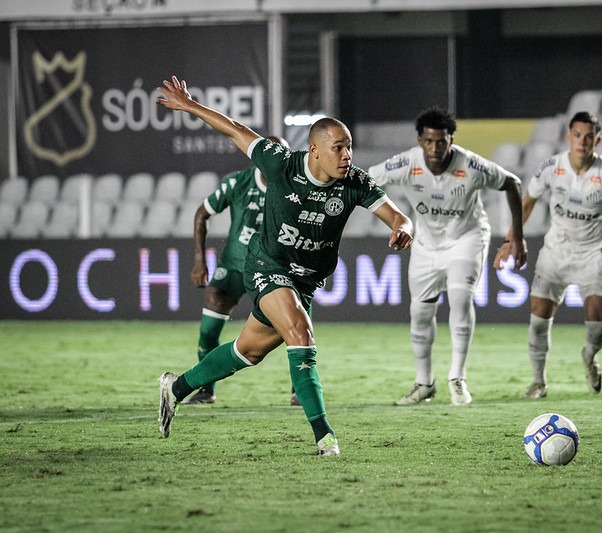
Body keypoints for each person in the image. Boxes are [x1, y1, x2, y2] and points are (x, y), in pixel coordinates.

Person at [155, 76, 414, 456]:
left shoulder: (355, 183)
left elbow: (397, 216)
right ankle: (326, 438)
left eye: (349, 148)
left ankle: (175, 388)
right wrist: (190, 105)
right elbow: (236, 130)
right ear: (314, 150)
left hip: (305, 281)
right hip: (267, 265)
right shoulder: (281, 164)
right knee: (300, 333)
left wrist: (402, 229)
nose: (347, 156)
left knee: (248, 351)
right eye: (338, 148)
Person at [494, 111, 602, 399]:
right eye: (577, 135)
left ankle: (590, 356)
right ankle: (538, 382)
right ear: (568, 136)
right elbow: (528, 201)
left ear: (598, 139)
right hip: (556, 253)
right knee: (537, 321)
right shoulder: (551, 167)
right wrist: (512, 239)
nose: (582, 141)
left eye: (589, 136)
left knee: (597, 326)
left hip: (594, 256)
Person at [368, 106, 526, 407]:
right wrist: (394, 219)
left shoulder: (472, 166)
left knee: (459, 299)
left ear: (451, 140)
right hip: (425, 244)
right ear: (419, 140)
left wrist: (515, 236)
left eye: (441, 141)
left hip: (466, 239)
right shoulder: (405, 163)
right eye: (429, 141)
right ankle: (424, 383)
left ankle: (457, 378)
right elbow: (367, 182)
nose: (435, 148)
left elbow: (512, 183)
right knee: (420, 314)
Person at [181, 137, 302, 407]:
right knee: (208, 331)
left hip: (274, 270)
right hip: (234, 267)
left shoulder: (295, 187)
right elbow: (202, 214)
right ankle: (205, 391)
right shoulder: (238, 183)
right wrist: (199, 261)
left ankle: (299, 392)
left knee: (294, 329)